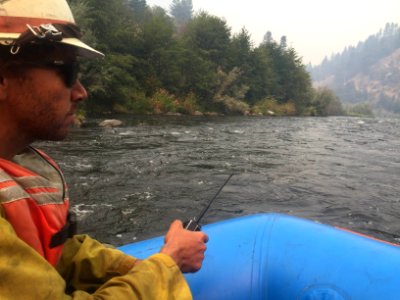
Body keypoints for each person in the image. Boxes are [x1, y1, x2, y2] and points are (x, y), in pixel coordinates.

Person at [0, 0, 208, 299]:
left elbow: (62, 254)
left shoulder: (16, 164)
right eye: (68, 71)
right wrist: (169, 263)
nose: (81, 92)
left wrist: (143, 267)